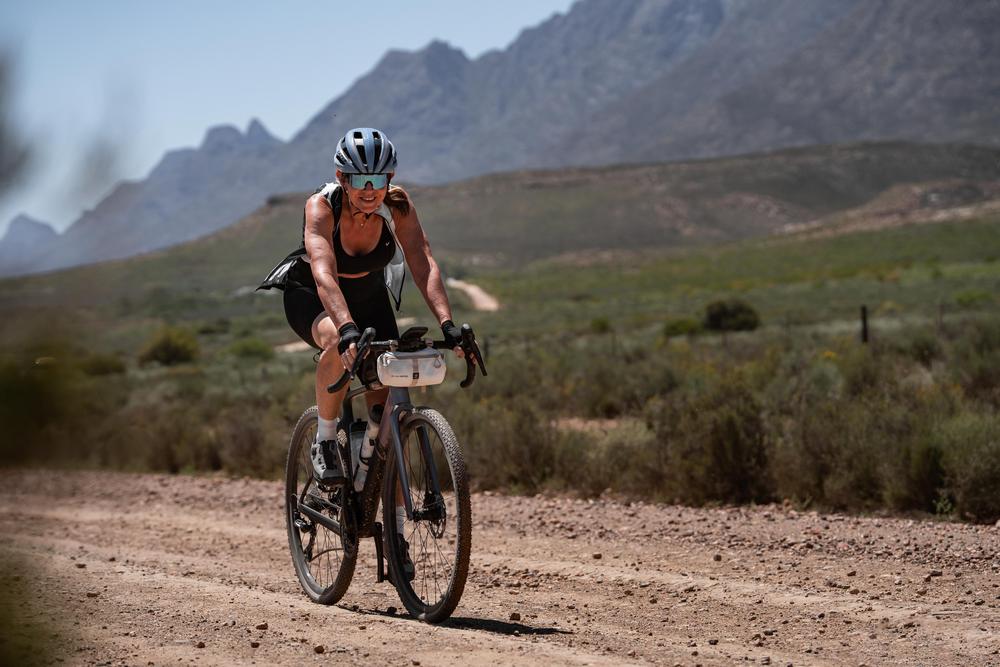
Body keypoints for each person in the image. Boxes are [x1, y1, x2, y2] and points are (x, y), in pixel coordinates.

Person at [281, 127, 471, 574]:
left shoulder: (397, 206)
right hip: (312, 295)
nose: (370, 190)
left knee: (389, 416)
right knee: (336, 341)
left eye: (379, 180)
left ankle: (395, 531)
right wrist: (346, 329)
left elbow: (422, 262)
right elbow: (323, 271)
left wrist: (449, 324)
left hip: (369, 298)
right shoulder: (320, 207)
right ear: (341, 178)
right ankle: (325, 440)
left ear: (390, 179)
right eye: (359, 180)